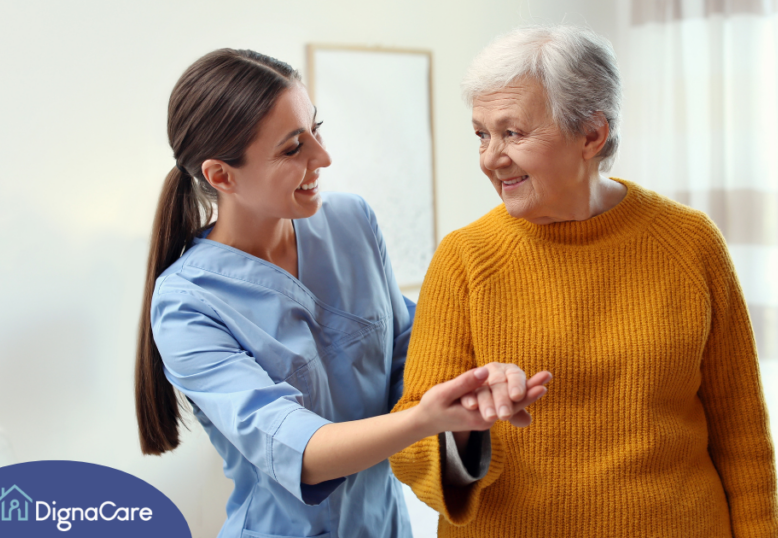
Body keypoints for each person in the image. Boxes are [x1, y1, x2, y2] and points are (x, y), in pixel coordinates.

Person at [133, 49, 549, 538]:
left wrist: (469, 394)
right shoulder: (187, 302)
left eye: (316, 129)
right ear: (221, 176)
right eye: (293, 149)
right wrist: (424, 417)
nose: (323, 157)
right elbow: (299, 453)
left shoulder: (352, 222)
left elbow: (406, 359)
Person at [390, 26, 778, 537]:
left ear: (591, 135)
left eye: (513, 133)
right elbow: (411, 447)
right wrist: (464, 425)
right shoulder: (464, 258)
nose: (491, 157)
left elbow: (743, 436)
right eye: (482, 134)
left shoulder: (690, 242)